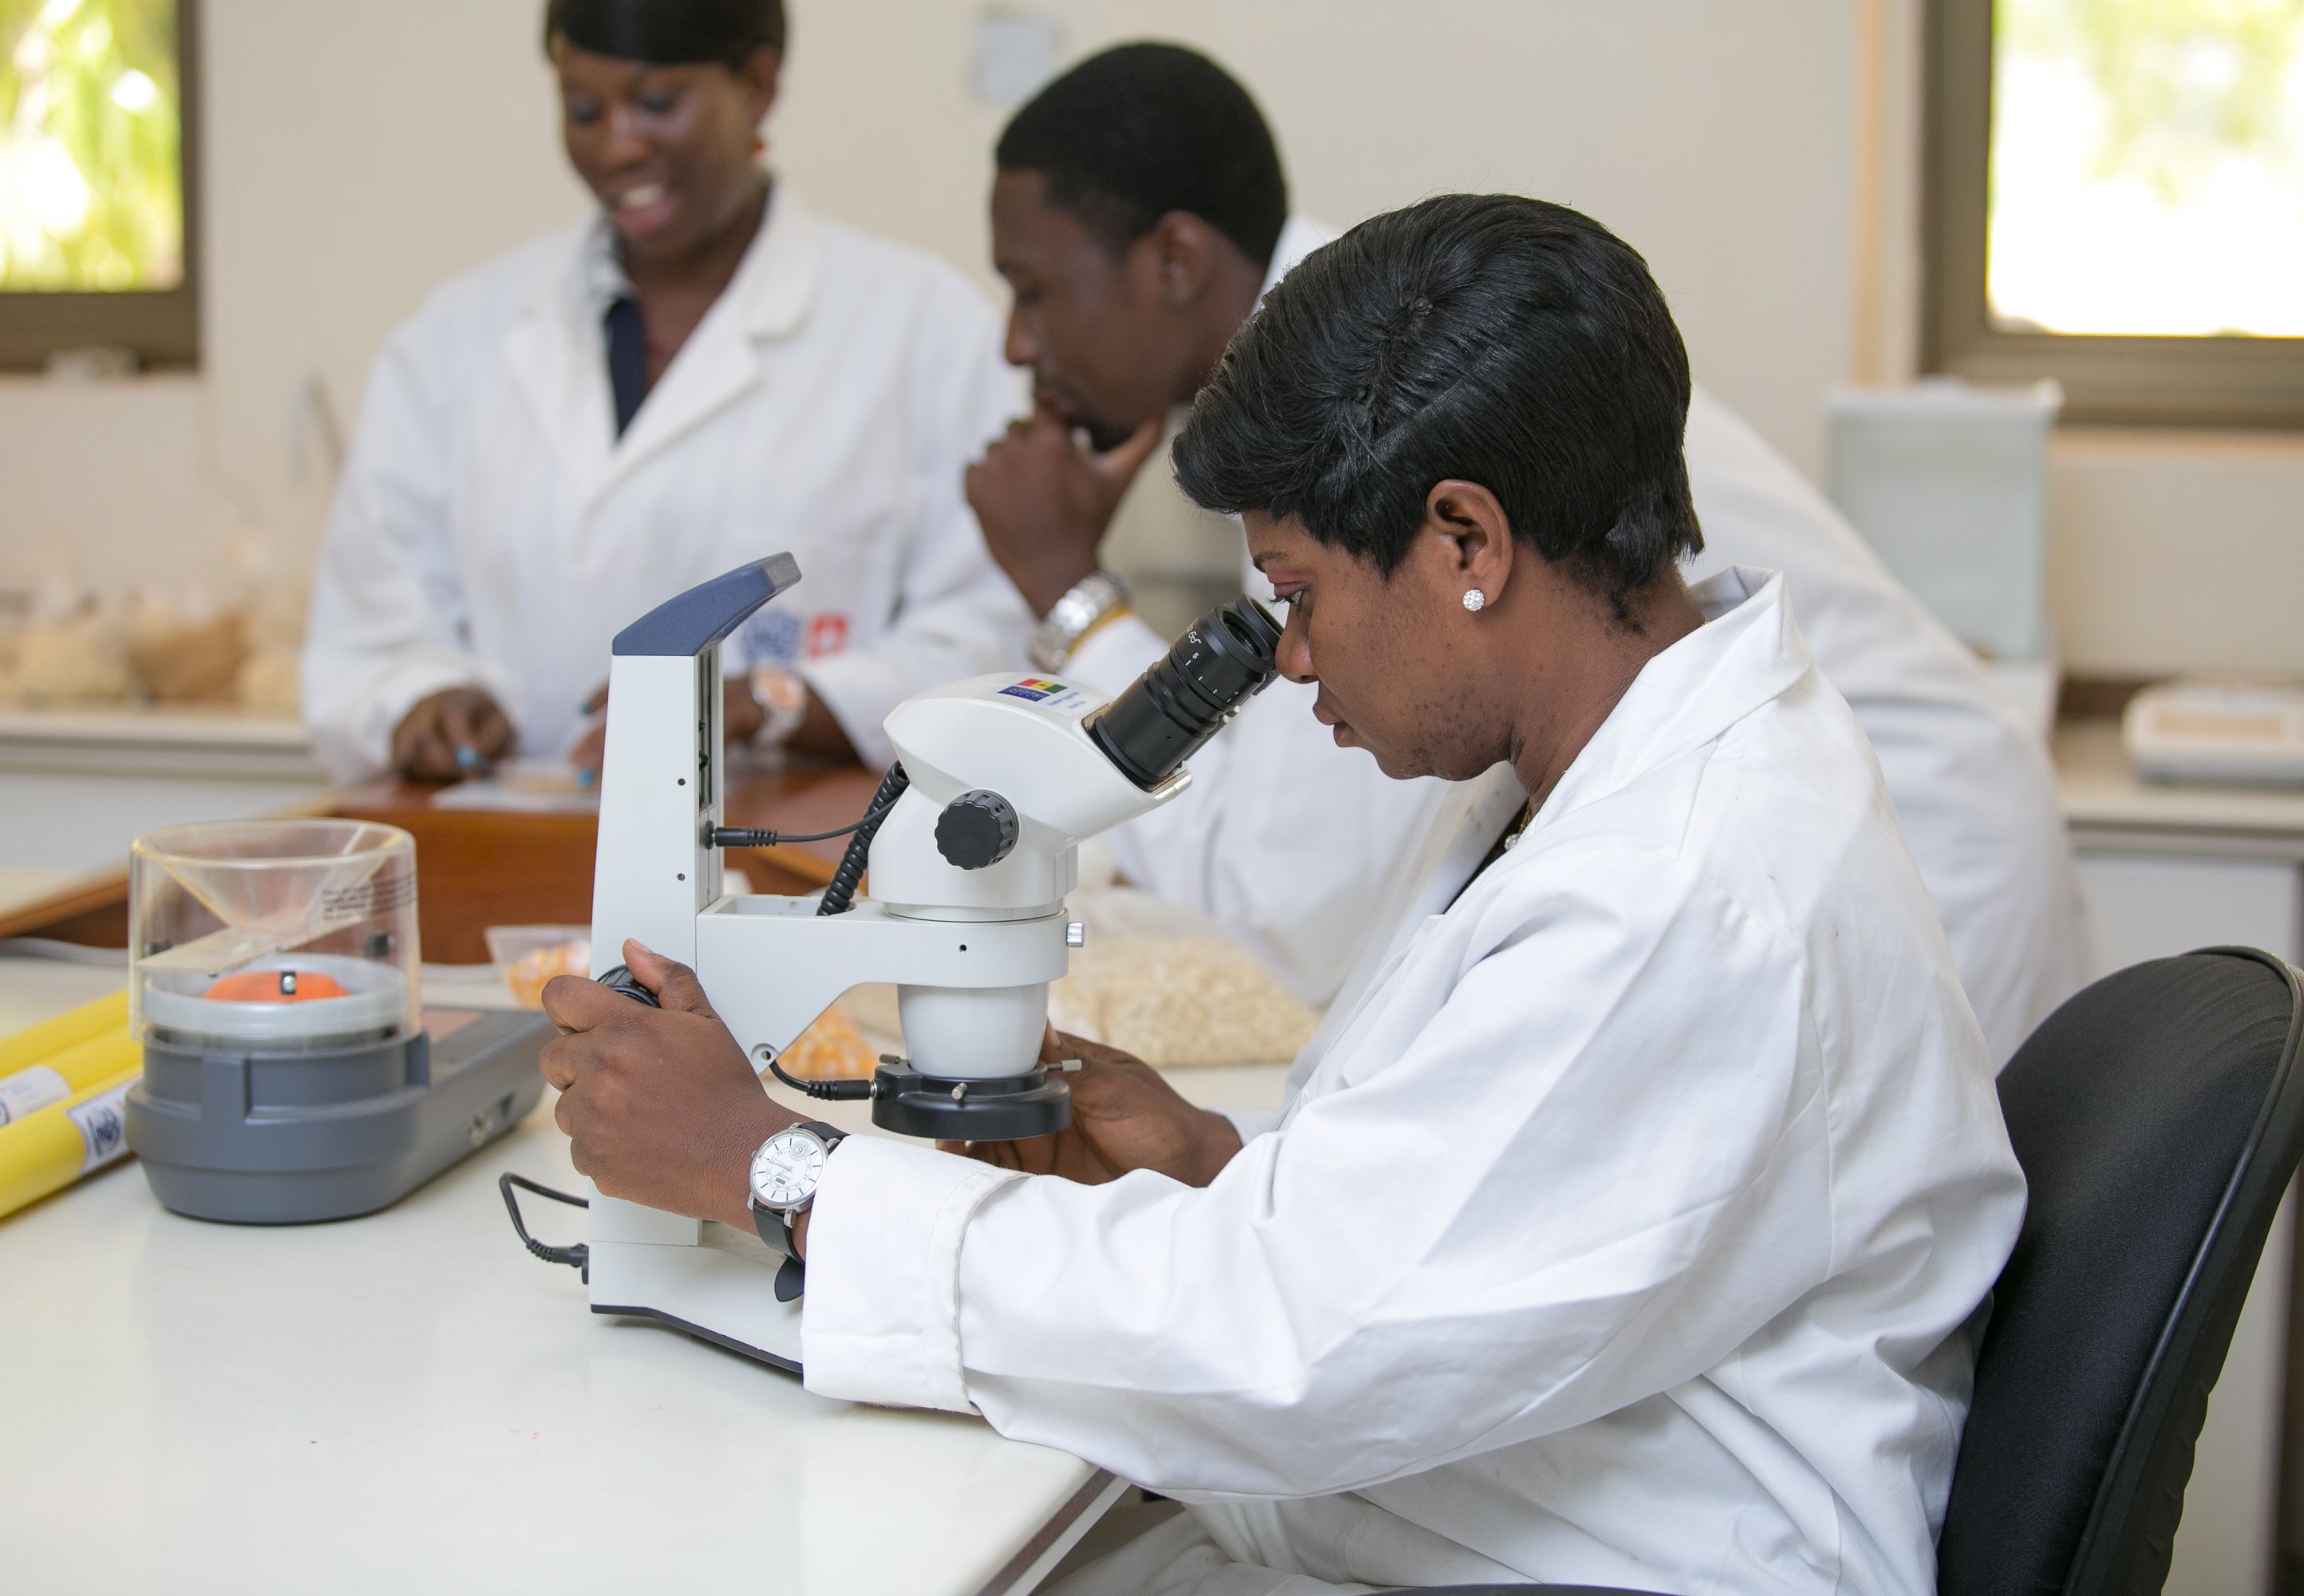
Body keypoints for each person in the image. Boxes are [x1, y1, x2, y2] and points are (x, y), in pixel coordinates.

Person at [540, 193, 2027, 1596]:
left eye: (1301, 594)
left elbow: (1297, 1349)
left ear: (1465, 541)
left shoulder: (1687, 890)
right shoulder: (1616, 768)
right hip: (1502, 1494)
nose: (1294, 660)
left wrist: (778, 1171)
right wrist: (1209, 1167)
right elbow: (1483, 1217)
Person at [966, 42, 2083, 1061]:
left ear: (1173, 259)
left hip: (1879, 861)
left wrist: (1072, 595)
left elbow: (1292, 899)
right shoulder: (1355, 366)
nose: (1018, 344)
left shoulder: (1382, 404)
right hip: (1766, 846)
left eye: (1034, 290)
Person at [302, 0, 1027, 785]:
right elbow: (370, 628)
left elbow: (991, 644)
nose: (618, 145)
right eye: (583, 109)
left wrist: (779, 699)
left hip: (797, 871)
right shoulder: (454, 340)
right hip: (510, 859)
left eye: (656, 103)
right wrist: (423, 697)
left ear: (757, 83)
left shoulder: (925, 332)